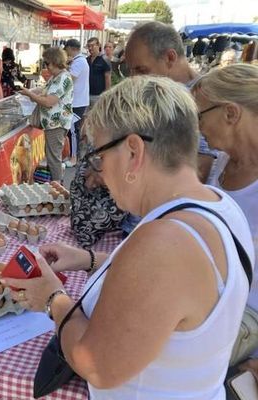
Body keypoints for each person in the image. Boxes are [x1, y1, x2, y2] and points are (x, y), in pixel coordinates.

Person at [4, 75, 254, 399]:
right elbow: (179, 288)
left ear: (134, 151)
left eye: (100, 156)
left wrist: (53, 299)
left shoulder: (166, 244)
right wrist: (88, 259)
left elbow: (97, 365)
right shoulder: (218, 206)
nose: (101, 171)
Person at [123, 20, 220, 237]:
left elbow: (199, 171)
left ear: (170, 57)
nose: (134, 78)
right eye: (130, 70)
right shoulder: (157, 91)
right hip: (140, 223)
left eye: (141, 69)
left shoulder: (202, 99)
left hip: (161, 228)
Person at [191, 64, 258, 370]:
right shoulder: (221, 164)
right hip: (208, 308)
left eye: (200, 115)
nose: (198, 127)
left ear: (231, 113)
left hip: (244, 327)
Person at [20, 47, 73, 182]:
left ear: (55, 62)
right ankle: (55, 186)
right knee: (52, 156)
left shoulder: (62, 79)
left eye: (47, 63)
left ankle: (57, 189)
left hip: (56, 124)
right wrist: (31, 92)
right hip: (53, 124)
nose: (46, 67)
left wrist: (29, 94)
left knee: (53, 158)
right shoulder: (57, 77)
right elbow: (44, 92)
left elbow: (49, 102)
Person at [64, 38, 89, 163]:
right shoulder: (79, 60)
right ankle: (72, 155)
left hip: (77, 101)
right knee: (72, 131)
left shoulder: (79, 62)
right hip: (78, 100)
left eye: (67, 50)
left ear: (73, 49)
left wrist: (63, 68)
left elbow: (70, 79)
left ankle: (73, 158)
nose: (66, 53)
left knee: (72, 131)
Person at [86, 37, 111, 107]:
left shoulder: (104, 59)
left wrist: (106, 94)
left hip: (98, 95)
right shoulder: (86, 60)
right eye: (89, 46)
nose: (90, 48)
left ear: (98, 45)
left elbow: (108, 77)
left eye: (92, 45)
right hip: (86, 93)